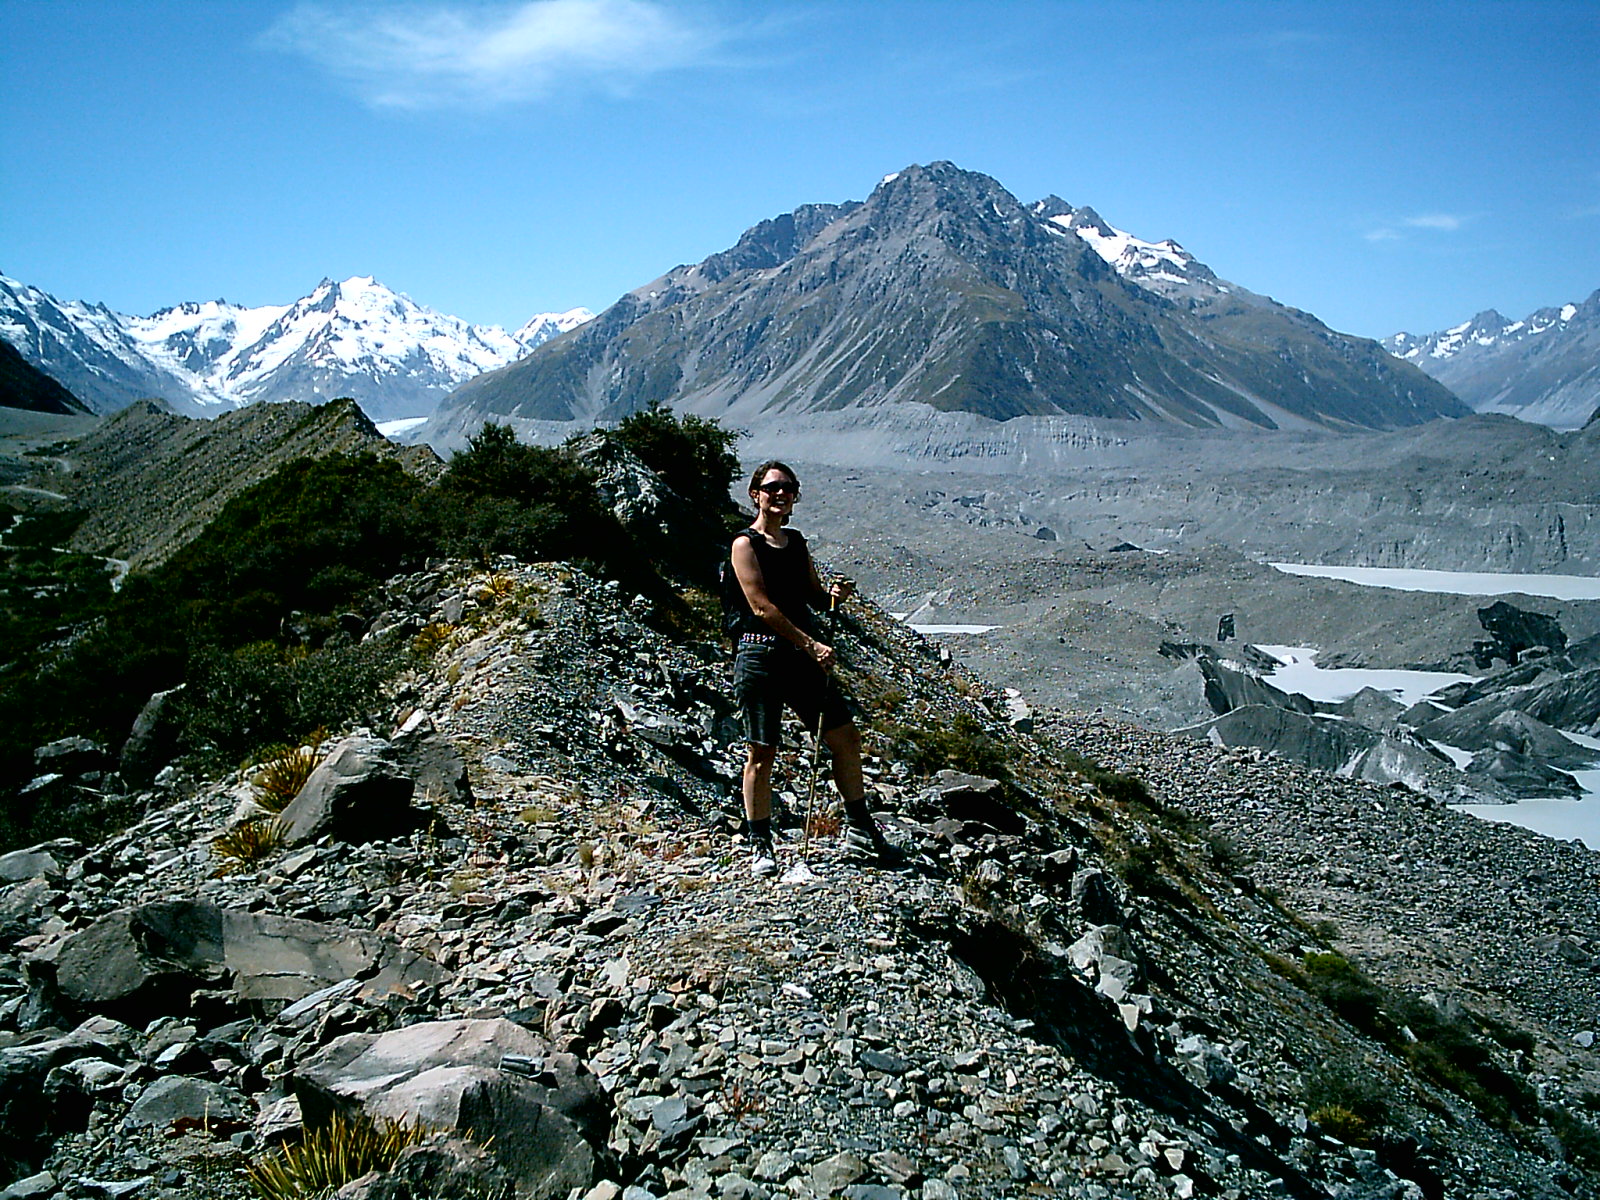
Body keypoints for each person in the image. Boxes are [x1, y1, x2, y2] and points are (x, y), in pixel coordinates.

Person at [730, 460, 891, 877]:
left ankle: (858, 826)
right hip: (761, 654)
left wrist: (835, 598)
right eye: (772, 487)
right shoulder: (744, 546)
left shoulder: (796, 543)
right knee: (761, 752)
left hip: (800, 655)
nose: (780, 494)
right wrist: (810, 643)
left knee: (844, 736)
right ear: (755, 494)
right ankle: (760, 843)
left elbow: (812, 598)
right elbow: (761, 607)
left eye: (788, 488)